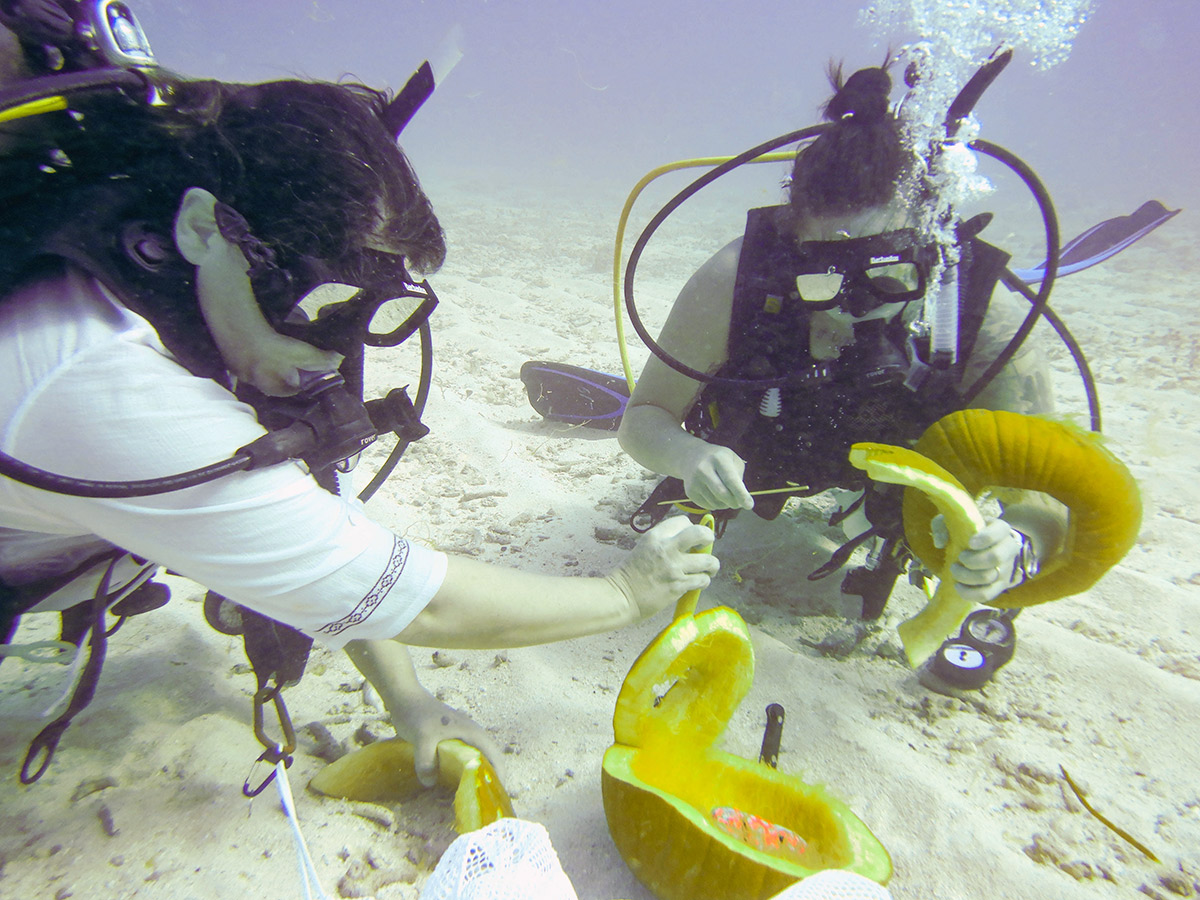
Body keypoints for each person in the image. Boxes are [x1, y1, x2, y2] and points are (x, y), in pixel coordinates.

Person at [0, 6, 717, 786]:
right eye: (314, 300)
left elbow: (324, 523)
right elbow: (402, 593)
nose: (330, 354)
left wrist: (408, 701)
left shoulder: (198, 287)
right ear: (204, 227)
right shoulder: (101, 379)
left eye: (363, 311)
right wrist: (626, 592)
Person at [617, 60, 1067, 676]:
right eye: (826, 277)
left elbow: (1045, 491)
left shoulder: (978, 308)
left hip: (906, 485)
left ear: (929, 241)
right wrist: (687, 456)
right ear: (791, 239)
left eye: (884, 274)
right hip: (765, 449)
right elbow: (644, 419)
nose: (855, 309)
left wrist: (1021, 543)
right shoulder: (736, 278)